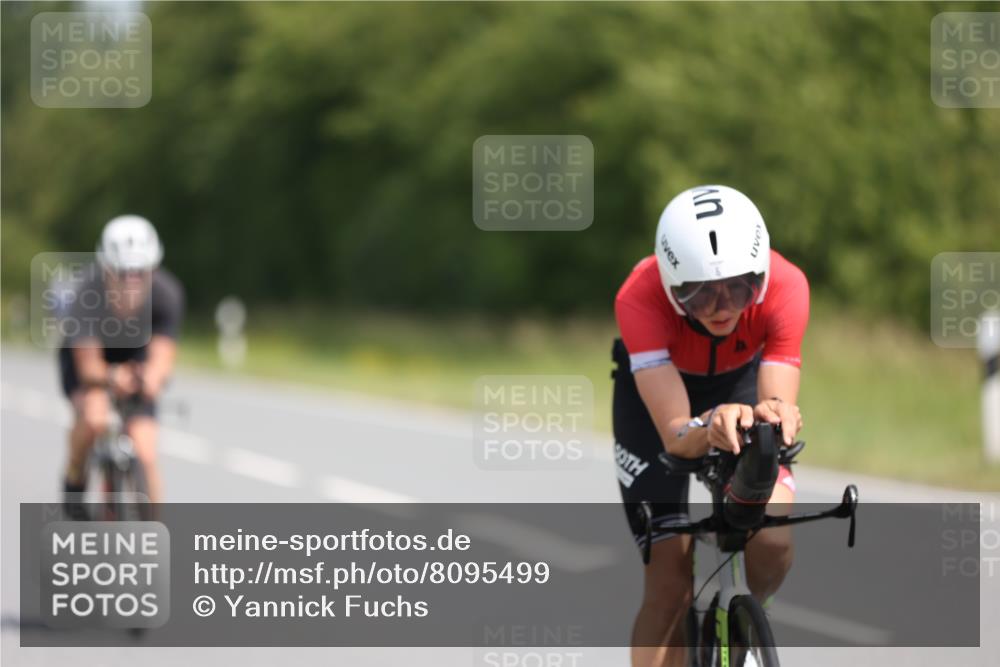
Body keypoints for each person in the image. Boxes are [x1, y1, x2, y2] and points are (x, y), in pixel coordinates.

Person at [613, 185, 809, 667]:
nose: (722, 306)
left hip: (741, 383)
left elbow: (776, 398)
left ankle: (741, 619)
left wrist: (776, 413)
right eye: (698, 294)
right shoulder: (639, 297)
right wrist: (708, 423)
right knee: (669, 584)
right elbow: (676, 435)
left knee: (774, 539)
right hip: (658, 401)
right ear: (671, 285)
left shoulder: (787, 285)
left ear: (760, 276)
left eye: (740, 287)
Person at [60, 215, 184, 515]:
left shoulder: (167, 294)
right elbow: (89, 366)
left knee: (145, 449)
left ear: (152, 269)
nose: (132, 281)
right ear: (106, 269)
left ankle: (155, 529)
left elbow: (163, 355)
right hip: (89, 360)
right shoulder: (86, 293)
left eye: (140, 273)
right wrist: (111, 378)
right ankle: (74, 483)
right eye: (122, 272)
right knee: (93, 420)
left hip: (136, 357)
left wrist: (149, 379)